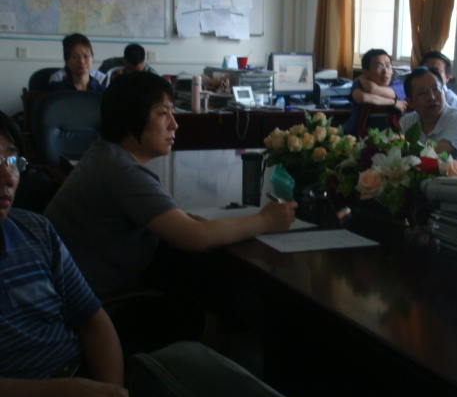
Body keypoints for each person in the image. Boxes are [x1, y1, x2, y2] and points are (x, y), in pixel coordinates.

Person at [45, 71, 297, 296]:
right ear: (131, 119)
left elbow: (179, 219)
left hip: (69, 290)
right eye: (163, 113)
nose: (174, 124)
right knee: (217, 294)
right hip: (91, 308)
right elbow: (195, 237)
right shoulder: (123, 172)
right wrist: (266, 220)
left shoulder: (105, 154)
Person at [0, 111, 130, 397]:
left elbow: (92, 320)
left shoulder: (36, 229)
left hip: (89, 396)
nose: (8, 176)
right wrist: (74, 393)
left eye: (12, 160)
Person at [400, 67, 457, 173]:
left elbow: (430, 156)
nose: (432, 97)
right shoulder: (406, 121)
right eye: (423, 93)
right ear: (410, 102)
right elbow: (387, 149)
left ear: (444, 91)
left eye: (436, 89)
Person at [343, 49, 408, 135]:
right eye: (379, 67)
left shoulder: (399, 86)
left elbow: (373, 89)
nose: (385, 71)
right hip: (352, 135)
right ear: (366, 72)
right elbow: (363, 97)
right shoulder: (359, 84)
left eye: (388, 66)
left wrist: (361, 78)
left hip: (388, 137)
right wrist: (393, 102)